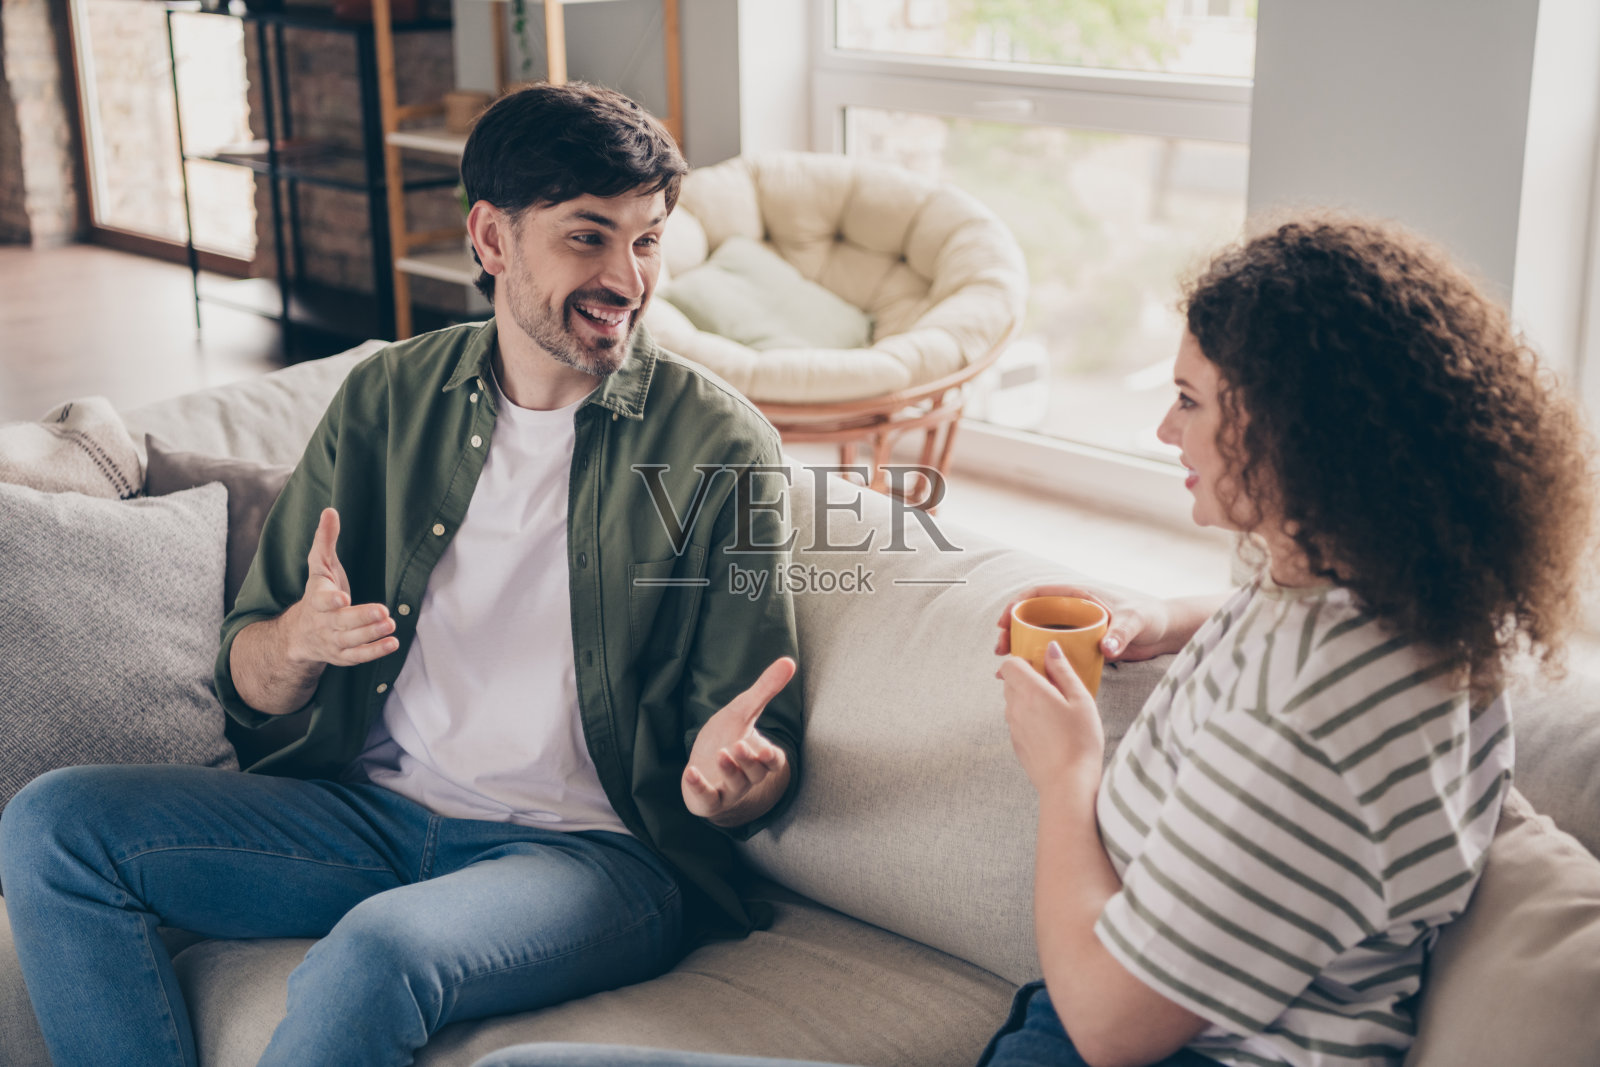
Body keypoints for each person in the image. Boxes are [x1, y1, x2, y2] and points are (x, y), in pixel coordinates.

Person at [465, 215, 1594, 1067]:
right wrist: (1166, 619)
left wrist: (1067, 775)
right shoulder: (1385, 596)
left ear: (1304, 437)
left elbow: (1110, 1022)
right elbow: (1274, 635)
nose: (1165, 430)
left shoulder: (1313, 730)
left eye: (1193, 401)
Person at [0, 82, 805, 1067]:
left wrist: (736, 783)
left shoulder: (719, 444)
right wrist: (295, 643)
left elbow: (755, 734)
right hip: (369, 816)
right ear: (492, 239)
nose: (626, 277)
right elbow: (246, 677)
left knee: (378, 952)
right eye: (588, 237)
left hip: (589, 855)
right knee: (53, 821)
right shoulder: (388, 396)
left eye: (646, 240)